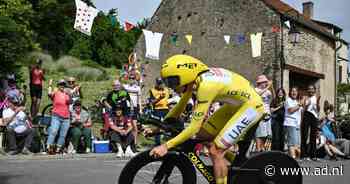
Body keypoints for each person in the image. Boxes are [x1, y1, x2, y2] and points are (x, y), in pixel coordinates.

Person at [149, 55, 265, 184]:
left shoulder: (206, 86)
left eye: (173, 82)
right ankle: (240, 163)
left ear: (186, 75)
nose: (171, 87)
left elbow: (194, 127)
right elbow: (179, 107)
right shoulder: (195, 80)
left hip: (251, 107)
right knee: (203, 137)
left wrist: (166, 146)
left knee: (216, 151)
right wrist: (159, 127)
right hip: (235, 105)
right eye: (167, 82)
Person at [46, 79, 71, 154]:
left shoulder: (66, 94)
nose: (62, 86)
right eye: (60, 84)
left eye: (63, 85)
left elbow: (70, 102)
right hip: (56, 115)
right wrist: (50, 85)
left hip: (66, 117)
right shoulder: (55, 92)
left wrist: (69, 94)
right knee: (54, 131)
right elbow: (49, 94)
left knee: (63, 135)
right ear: (58, 85)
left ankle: (58, 148)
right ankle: (48, 146)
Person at [301, 85, 320, 160]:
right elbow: (303, 108)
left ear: (314, 90)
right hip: (307, 114)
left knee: (313, 136)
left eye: (312, 89)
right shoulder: (305, 97)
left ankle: (313, 155)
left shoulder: (316, 98)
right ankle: (304, 155)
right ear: (308, 90)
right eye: (309, 89)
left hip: (314, 116)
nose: (311, 90)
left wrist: (318, 102)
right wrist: (306, 104)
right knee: (305, 134)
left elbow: (318, 110)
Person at [254, 75, 273, 152]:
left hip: (267, 114)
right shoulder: (256, 90)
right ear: (260, 83)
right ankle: (258, 149)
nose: (265, 83)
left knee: (266, 133)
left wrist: (272, 87)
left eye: (266, 82)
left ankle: (262, 148)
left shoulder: (268, 91)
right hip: (260, 114)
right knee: (259, 133)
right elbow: (258, 95)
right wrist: (268, 87)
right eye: (264, 82)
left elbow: (273, 97)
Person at [284, 87, 303, 159]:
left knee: (297, 144)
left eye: (295, 91)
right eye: (292, 91)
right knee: (292, 143)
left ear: (297, 93)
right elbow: (290, 111)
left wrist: (300, 124)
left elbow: (300, 114)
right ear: (290, 92)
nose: (294, 92)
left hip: (297, 125)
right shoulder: (288, 100)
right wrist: (299, 105)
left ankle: (294, 158)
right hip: (290, 123)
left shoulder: (297, 102)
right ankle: (293, 158)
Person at [149, 77, 169, 145]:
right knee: (158, 127)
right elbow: (152, 102)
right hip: (157, 110)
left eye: (162, 83)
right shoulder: (152, 90)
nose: (161, 85)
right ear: (157, 83)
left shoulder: (167, 89)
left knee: (168, 126)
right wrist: (159, 98)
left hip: (166, 109)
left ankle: (169, 142)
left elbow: (171, 98)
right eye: (159, 83)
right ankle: (157, 143)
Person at [123, 79, 141, 152]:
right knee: (127, 126)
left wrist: (140, 109)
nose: (131, 80)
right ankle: (126, 144)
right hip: (127, 108)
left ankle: (134, 144)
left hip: (135, 108)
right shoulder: (125, 86)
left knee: (135, 127)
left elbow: (139, 98)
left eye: (133, 78)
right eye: (130, 78)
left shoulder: (137, 88)